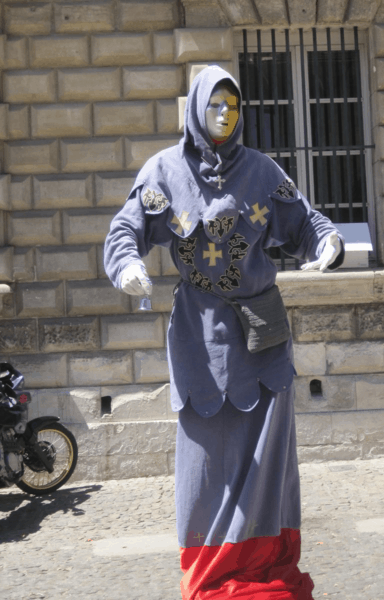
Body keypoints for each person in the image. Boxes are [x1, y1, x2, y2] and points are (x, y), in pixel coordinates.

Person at [104, 66, 344, 600]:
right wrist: (125, 265)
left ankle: (262, 566)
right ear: (195, 108)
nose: (225, 115)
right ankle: (212, 572)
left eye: (233, 107)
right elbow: (126, 228)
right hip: (200, 337)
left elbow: (305, 222)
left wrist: (326, 243)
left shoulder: (262, 172)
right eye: (215, 105)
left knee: (265, 461)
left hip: (263, 336)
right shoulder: (163, 171)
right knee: (206, 463)